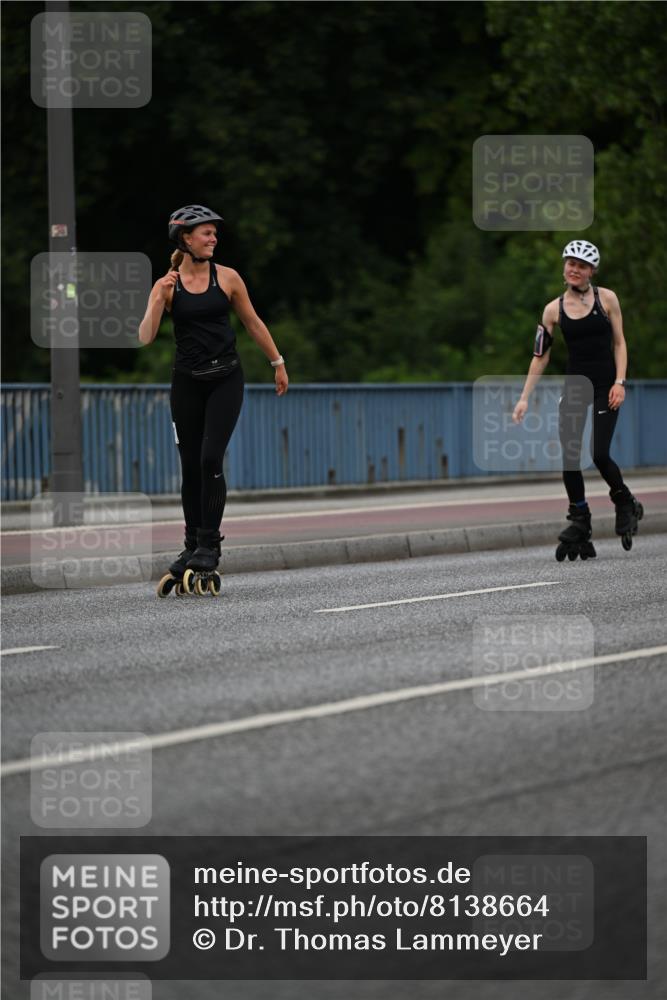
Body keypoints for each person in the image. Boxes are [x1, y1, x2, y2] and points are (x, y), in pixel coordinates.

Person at [139, 204, 288, 594]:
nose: (213, 238)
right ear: (186, 239)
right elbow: (145, 336)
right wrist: (158, 298)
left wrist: (277, 362)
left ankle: (209, 544)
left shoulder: (228, 278)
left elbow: (252, 322)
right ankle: (191, 546)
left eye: (214, 233)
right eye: (206, 233)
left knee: (209, 459)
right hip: (186, 383)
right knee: (189, 468)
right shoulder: (167, 285)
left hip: (226, 379)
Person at [512, 240, 643, 559]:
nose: (575, 269)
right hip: (575, 386)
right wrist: (524, 397)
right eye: (571, 263)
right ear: (564, 266)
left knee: (599, 453)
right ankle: (580, 519)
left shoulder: (607, 298)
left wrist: (619, 382)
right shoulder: (552, 309)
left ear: (591, 271)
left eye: (582, 266)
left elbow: (620, 343)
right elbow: (540, 356)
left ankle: (624, 500)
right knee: (570, 455)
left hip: (605, 386)